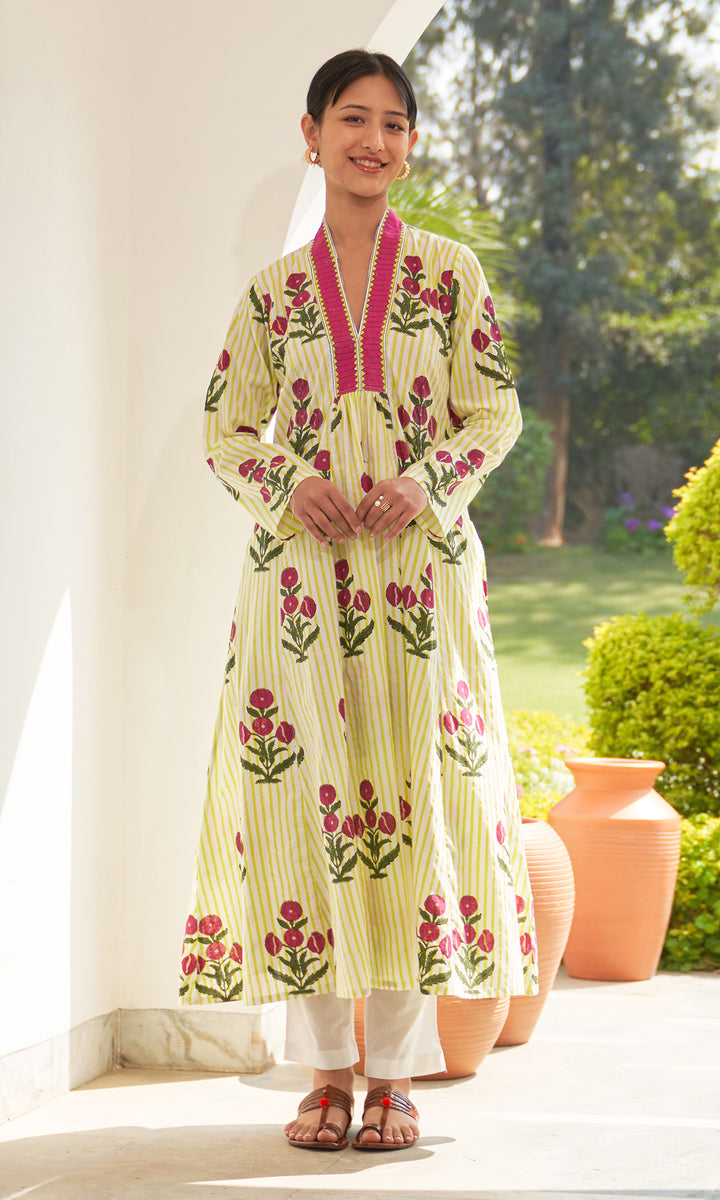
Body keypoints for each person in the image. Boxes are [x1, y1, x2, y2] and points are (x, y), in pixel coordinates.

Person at [180, 48, 537, 1152]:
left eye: (392, 123)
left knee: (415, 809)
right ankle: (326, 1075)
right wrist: (292, 484)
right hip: (303, 586)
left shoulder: (450, 273)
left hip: (421, 581)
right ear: (312, 135)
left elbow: (497, 413)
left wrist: (427, 482)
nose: (372, 140)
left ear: (410, 145)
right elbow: (225, 428)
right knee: (309, 815)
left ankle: (394, 1079)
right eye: (351, 118)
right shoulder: (272, 295)